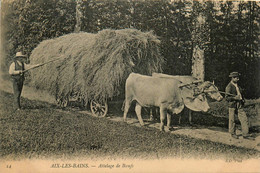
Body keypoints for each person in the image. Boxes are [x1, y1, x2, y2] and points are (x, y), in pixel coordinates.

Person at [225, 72, 254, 140]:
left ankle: (245, 134)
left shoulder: (238, 85)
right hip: (232, 105)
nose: (238, 79)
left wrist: (242, 99)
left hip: (240, 104)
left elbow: (240, 93)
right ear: (232, 78)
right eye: (236, 78)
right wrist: (234, 98)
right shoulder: (229, 86)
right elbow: (227, 98)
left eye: (238, 77)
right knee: (232, 120)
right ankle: (233, 133)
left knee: (244, 118)